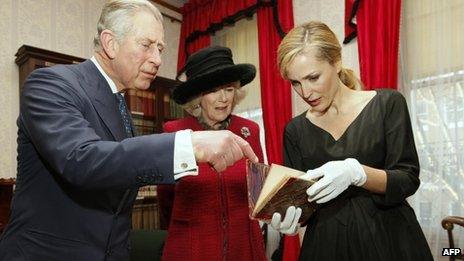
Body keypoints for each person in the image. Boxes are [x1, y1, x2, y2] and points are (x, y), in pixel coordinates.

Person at [0, 1, 258, 260]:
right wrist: (191, 145)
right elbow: (82, 160)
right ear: (110, 43)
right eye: (146, 45)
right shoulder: (51, 84)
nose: (157, 60)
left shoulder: (120, 106)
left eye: (160, 49)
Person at [269, 21, 433, 260]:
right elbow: (302, 202)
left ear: (336, 63)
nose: (305, 92)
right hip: (327, 247)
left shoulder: (388, 104)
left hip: (389, 240)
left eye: (313, 77)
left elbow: (408, 180)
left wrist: (358, 173)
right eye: (295, 82)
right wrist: (290, 220)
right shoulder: (295, 131)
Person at [157, 46, 267, 261]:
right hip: (192, 246)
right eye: (214, 90)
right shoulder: (175, 132)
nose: (223, 98)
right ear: (198, 97)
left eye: (228, 89)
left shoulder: (249, 130)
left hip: (244, 246)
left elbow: (259, 190)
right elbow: (166, 197)